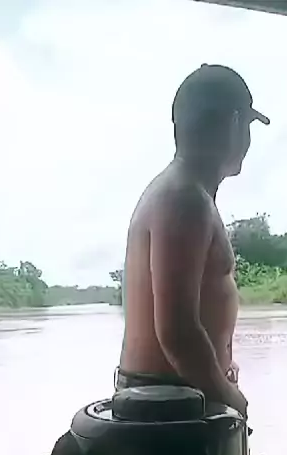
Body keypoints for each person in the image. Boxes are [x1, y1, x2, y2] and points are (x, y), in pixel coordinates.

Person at [116, 64, 270, 415]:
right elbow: (178, 332)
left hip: (171, 398)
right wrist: (231, 399)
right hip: (167, 408)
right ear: (234, 124)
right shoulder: (184, 199)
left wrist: (220, 370)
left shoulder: (184, 193)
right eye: (247, 126)